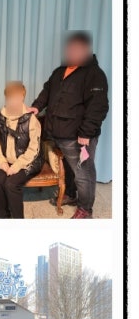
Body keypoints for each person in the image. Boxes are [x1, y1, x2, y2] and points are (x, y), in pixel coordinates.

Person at [29, 31, 109, 219]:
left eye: (76, 48)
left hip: (79, 135)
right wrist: (36, 107)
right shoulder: (60, 71)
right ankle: (71, 194)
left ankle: (85, 209)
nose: (71, 51)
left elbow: (98, 106)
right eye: (69, 48)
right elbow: (47, 91)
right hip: (60, 133)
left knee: (83, 172)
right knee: (69, 168)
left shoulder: (94, 74)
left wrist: (86, 133)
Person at [0, 81, 43, 218]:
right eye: (10, 97)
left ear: (23, 97)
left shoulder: (31, 119)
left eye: (17, 97)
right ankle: (1, 216)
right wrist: (2, 162)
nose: (14, 101)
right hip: (6, 160)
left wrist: (17, 166)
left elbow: (34, 149)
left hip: (28, 161)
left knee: (11, 184)